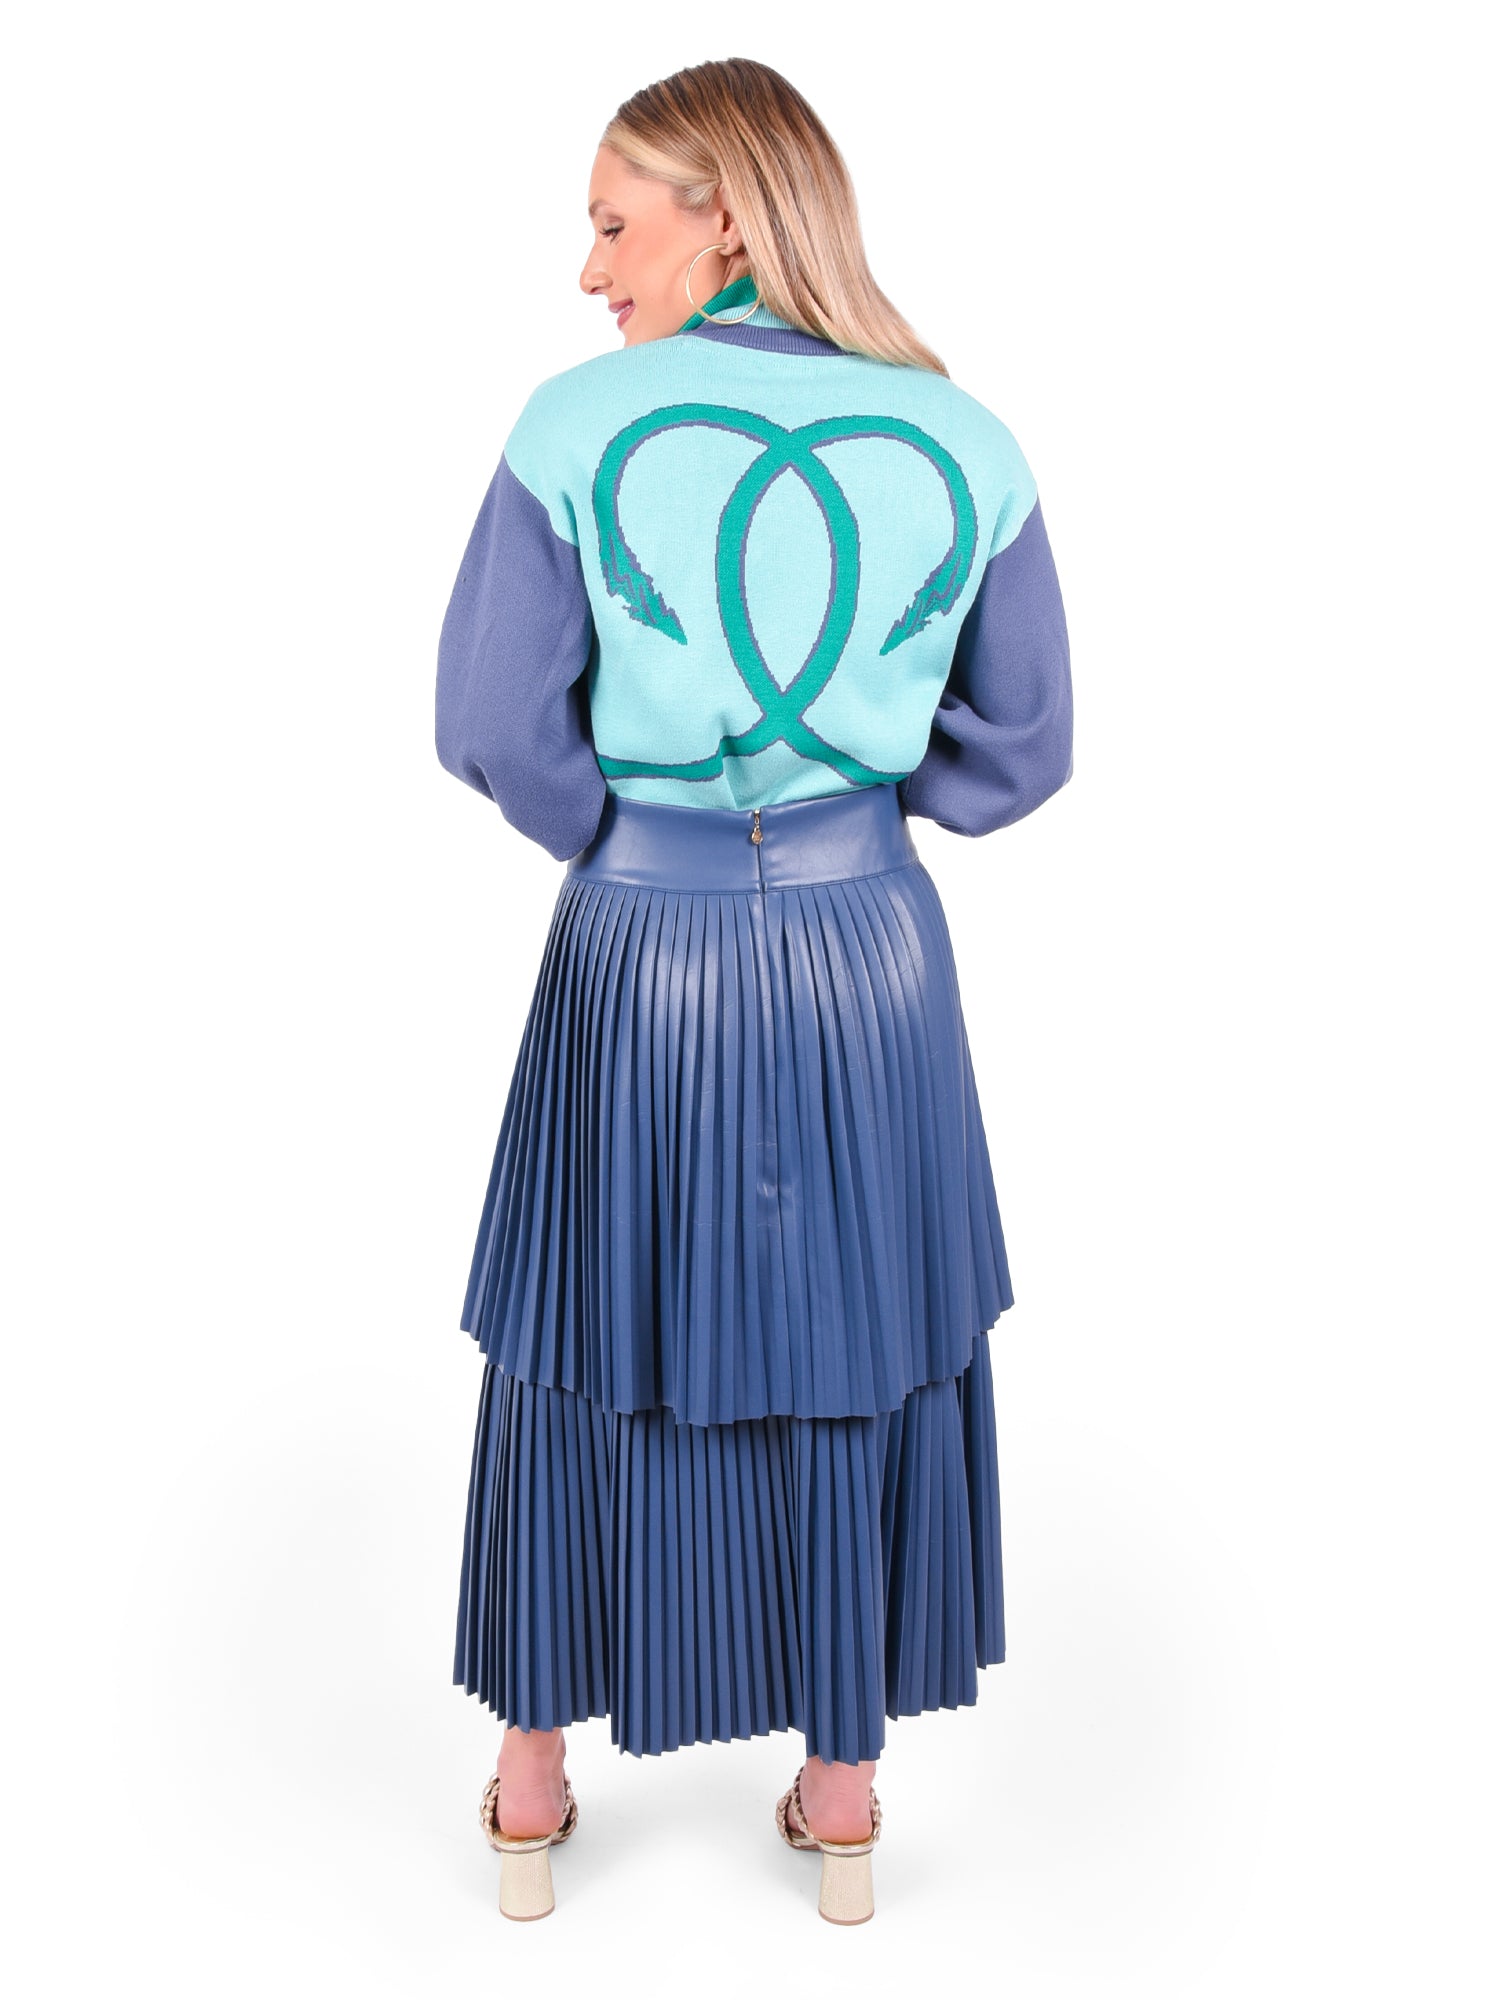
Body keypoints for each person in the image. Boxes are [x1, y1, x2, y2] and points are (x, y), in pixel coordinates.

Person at [435, 56, 1073, 1926]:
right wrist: (861, 810)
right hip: (873, 959)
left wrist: (627, 831)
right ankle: (845, 1797)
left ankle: (531, 1789)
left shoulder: (574, 426)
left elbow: (488, 721)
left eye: (610, 224)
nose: (589, 271)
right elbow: (1026, 748)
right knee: (862, 1330)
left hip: (645, 945)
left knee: (583, 1321)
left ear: (722, 210)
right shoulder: (964, 440)